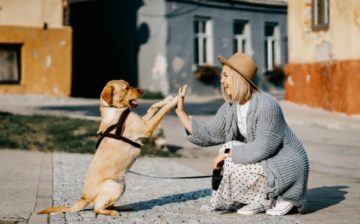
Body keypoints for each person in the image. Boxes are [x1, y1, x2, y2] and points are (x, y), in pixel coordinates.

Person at [175, 52, 309, 216]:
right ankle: (260, 198)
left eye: (225, 76)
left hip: (285, 165)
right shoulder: (231, 107)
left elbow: (262, 148)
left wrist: (225, 155)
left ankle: (277, 196)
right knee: (228, 146)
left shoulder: (267, 105)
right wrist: (181, 112)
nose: (221, 80)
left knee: (228, 153)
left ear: (238, 78)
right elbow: (209, 134)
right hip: (265, 162)